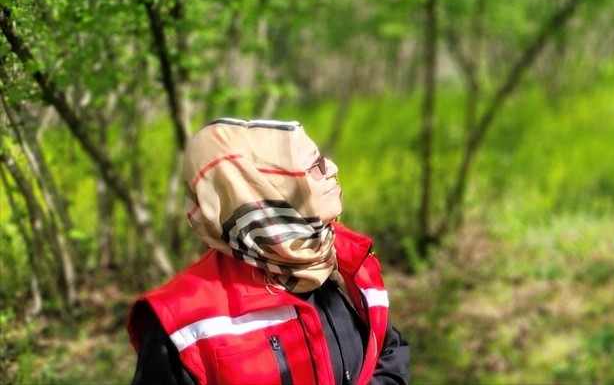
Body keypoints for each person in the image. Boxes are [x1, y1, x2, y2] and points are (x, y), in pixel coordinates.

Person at [127, 117, 411, 385]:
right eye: (315, 166)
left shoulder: (344, 259)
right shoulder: (184, 317)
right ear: (266, 191)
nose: (333, 168)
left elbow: (389, 349)